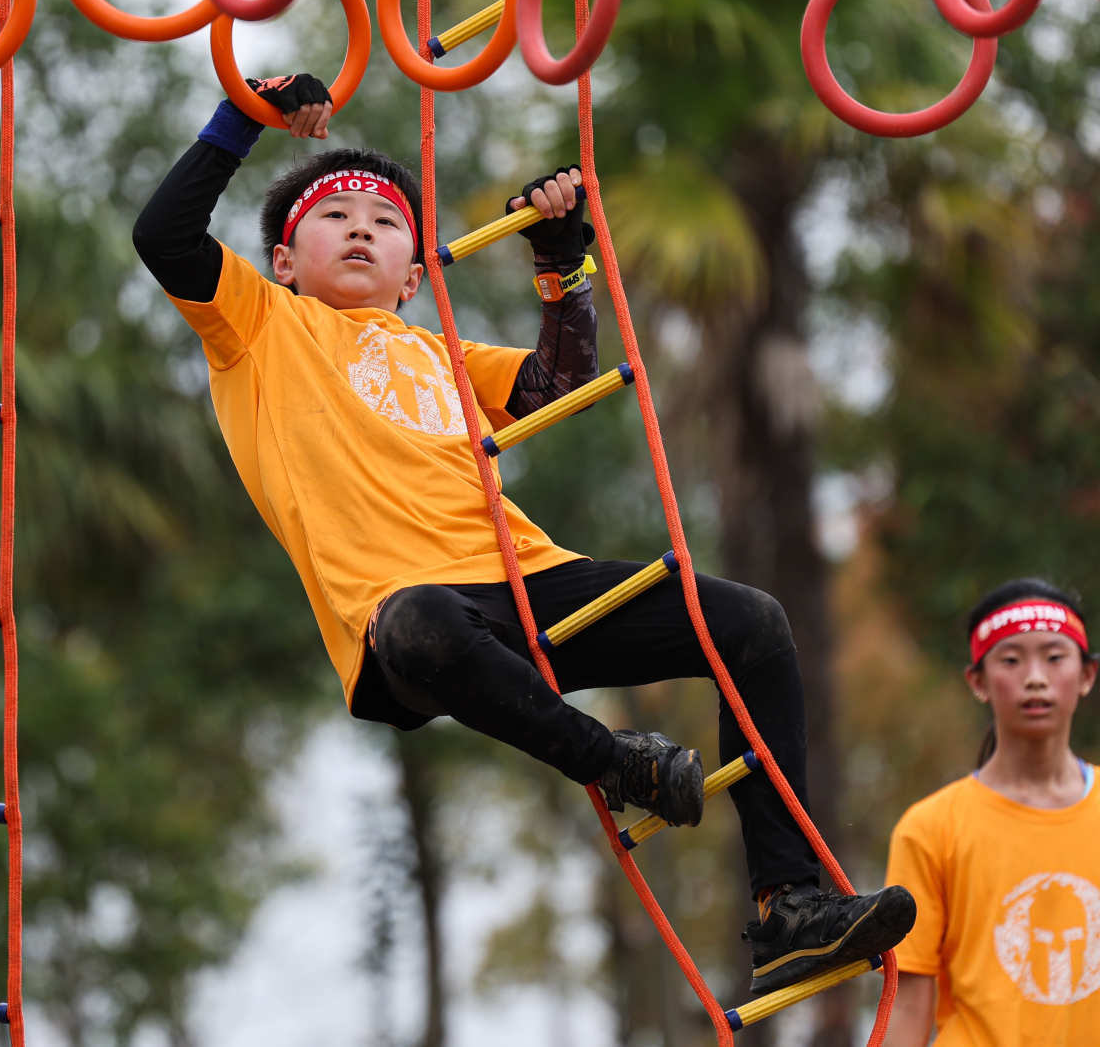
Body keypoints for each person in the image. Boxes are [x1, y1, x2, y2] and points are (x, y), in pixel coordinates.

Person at [132, 73, 914, 993]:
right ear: (284, 261)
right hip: (411, 620)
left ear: (416, 275)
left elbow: (560, 381)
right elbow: (163, 236)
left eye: (384, 224)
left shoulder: (443, 351)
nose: (358, 229)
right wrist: (243, 119)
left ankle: (788, 905)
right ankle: (614, 761)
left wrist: (559, 256)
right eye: (332, 215)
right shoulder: (260, 325)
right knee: (422, 618)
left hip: (529, 580)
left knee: (751, 621)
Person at [885, 578, 1100, 1043]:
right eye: (1011, 659)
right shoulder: (929, 829)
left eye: (1054, 656)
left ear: (1087, 675)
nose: (1035, 677)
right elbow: (907, 1005)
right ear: (978, 682)